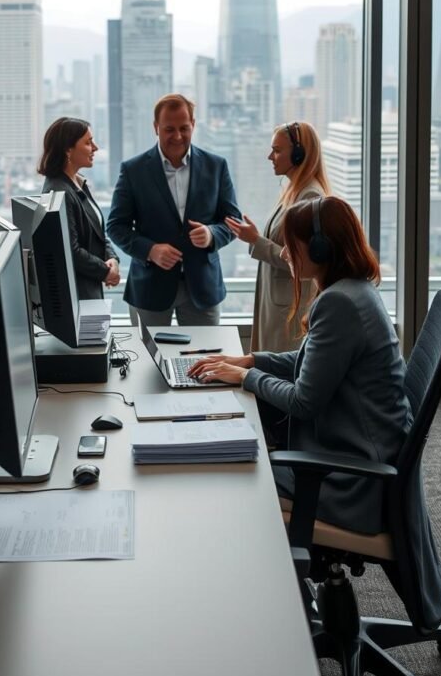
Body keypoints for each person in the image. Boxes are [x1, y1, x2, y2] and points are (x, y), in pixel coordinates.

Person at [189, 196, 413, 534]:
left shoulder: (340, 303)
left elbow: (303, 401)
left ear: (321, 249)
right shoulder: (354, 290)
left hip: (349, 481)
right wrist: (250, 359)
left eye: (290, 246)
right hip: (354, 455)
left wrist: (247, 376)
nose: (282, 254)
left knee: (235, 472)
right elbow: (312, 362)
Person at [107, 93, 241, 326]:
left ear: (193, 125)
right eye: (169, 129)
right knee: (148, 361)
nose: (178, 136)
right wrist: (150, 250)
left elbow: (232, 221)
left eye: (184, 128)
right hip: (150, 287)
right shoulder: (133, 170)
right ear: (155, 127)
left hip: (203, 288)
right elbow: (116, 226)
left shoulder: (216, 166)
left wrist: (211, 234)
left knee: (204, 360)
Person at [225, 121, 330, 353]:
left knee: (278, 374)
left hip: (288, 308)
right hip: (276, 302)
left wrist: (256, 241)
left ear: (299, 154)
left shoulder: (309, 195)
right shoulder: (293, 190)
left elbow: (305, 262)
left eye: (277, 150)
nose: (270, 156)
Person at [37, 117, 120, 300]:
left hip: (89, 289)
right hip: (78, 296)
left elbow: (98, 233)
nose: (95, 148)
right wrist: (104, 272)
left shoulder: (78, 183)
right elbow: (69, 250)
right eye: (88, 143)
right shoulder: (59, 191)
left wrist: (112, 259)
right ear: (68, 149)